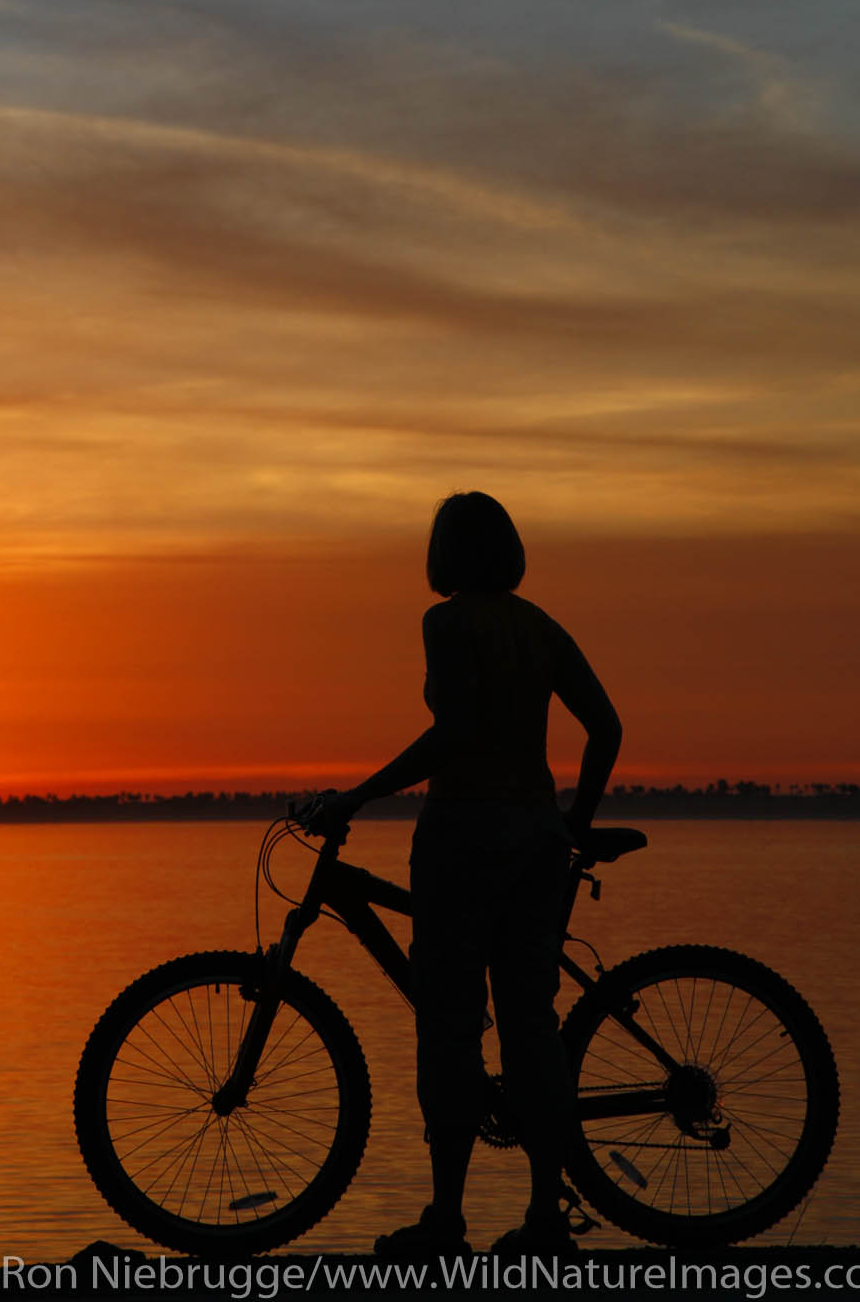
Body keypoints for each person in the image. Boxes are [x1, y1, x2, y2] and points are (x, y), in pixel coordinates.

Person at [304, 491, 622, 1259]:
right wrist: (572, 822)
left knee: (449, 1028)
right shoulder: (538, 626)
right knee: (530, 1025)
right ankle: (545, 1220)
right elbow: (605, 727)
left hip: (462, 837)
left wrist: (358, 794)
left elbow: (453, 734)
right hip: (537, 840)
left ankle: (445, 1220)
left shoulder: (445, 623)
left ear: (443, 554)